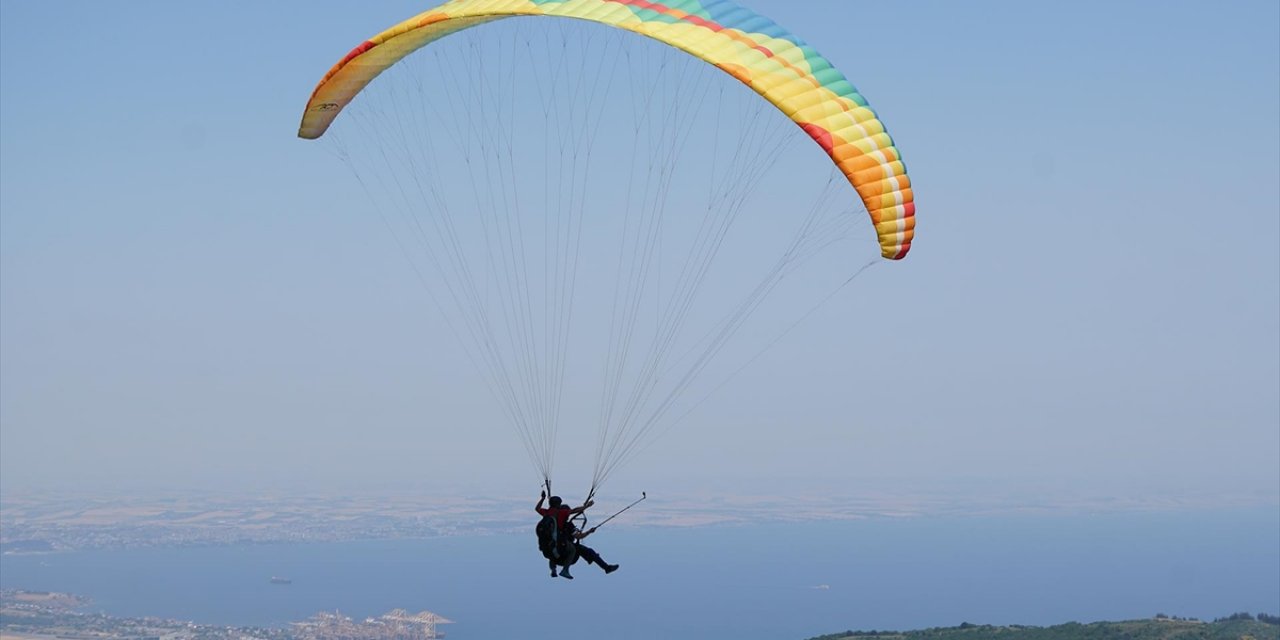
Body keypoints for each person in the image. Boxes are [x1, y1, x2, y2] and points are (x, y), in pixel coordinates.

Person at [535, 491, 619, 579]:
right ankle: (566, 570)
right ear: (559, 505)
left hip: (550, 553)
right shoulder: (564, 517)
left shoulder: (547, 513)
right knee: (577, 549)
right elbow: (575, 513)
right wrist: (589, 530)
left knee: (554, 545)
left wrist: (542, 499)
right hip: (563, 556)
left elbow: (537, 509)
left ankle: (553, 570)